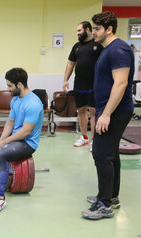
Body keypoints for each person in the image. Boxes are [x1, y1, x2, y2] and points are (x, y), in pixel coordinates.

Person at [82, 11, 134, 220]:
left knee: (101, 154)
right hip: (110, 109)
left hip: (116, 111)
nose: (93, 32)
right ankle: (111, 196)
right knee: (110, 154)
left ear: (109, 29)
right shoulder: (107, 49)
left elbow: (120, 83)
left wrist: (106, 114)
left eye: (96, 29)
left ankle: (104, 204)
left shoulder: (118, 49)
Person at [0, 68, 44, 215]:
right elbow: (10, 122)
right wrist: (2, 140)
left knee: (1, 153)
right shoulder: (16, 99)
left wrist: (4, 143)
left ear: (19, 85)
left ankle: (0, 199)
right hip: (15, 137)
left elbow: (25, 132)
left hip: (27, 143)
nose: (7, 89)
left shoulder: (33, 103)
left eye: (9, 86)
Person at [63, 21, 103, 150]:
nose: (77, 33)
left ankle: (94, 140)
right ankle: (84, 137)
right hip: (79, 84)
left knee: (93, 111)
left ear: (87, 29)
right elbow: (70, 63)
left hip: (94, 84)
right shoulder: (76, 46)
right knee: (81, 111)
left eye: (79, 31)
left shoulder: (98, 45)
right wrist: (65, 79)